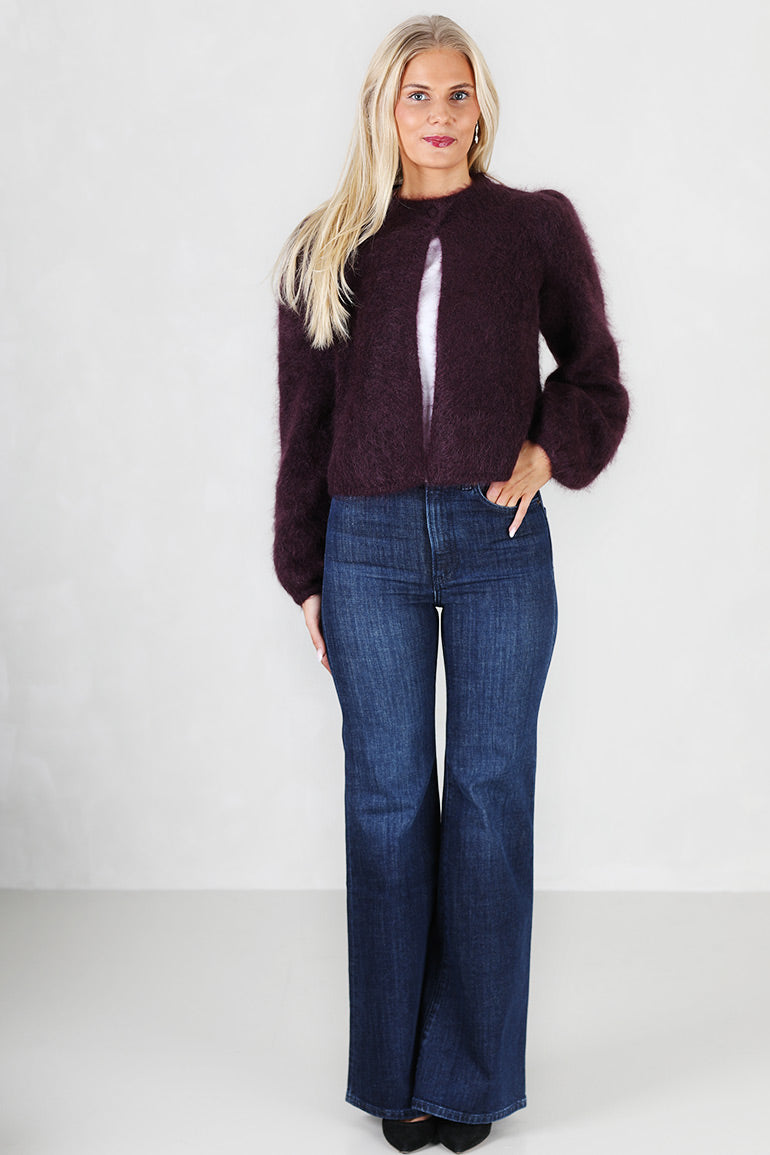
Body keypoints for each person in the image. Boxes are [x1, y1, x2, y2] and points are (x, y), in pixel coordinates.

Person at [272, 14, 628, 1153]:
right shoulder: (327, 246)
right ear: (384, 108)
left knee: (487, 796)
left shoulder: (532, 226)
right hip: (366, 549)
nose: (437, 115)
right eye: (416, 95)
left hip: (494, 542)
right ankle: (397, 1074)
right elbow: (304, 425)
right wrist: (304, 570)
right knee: (385, 803)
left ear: (482, 107)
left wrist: (546, 452)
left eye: (456, 94)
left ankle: (467, 1078)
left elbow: (594, 375)